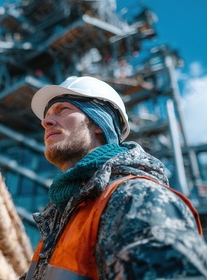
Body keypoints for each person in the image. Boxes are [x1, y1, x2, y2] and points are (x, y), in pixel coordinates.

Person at [22, 76, 207, 279]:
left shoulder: (137, 197)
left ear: (99, 123)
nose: (45, 121)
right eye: (47, 114)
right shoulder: (61, 216)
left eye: (63, 109)